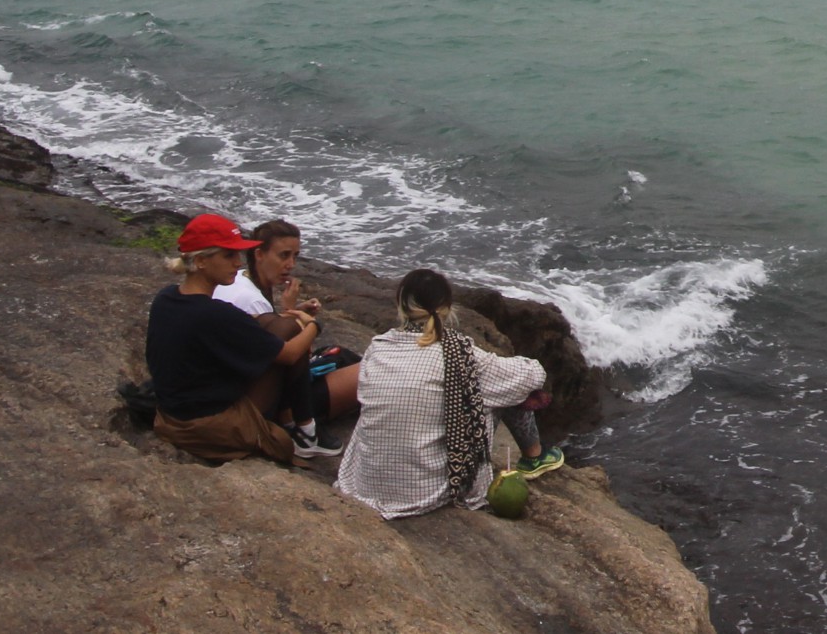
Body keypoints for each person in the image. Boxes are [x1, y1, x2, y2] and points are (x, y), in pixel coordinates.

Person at [336, 269, 564, 519]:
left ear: (400, 305)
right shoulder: (459, 354)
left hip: (366, 485)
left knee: (487, 385)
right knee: (505, 386)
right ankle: (535, 457)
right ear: (446, 308)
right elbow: (534, 376)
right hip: (425, 491)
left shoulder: (377, 347)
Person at [145, 213, 336, 463]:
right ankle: (304, 431)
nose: (237, 262)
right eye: (229, 255)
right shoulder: (214, 313)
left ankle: (302, 425)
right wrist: (313, 325)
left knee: (275, 325)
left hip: (171, 414)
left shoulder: (167, 297)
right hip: (205, 425)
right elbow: (289, 355)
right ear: (201, 261)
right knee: (289, 339)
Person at [213, 219, 360, 447]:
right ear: (259, 254)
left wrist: (287, 313)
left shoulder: (240, 279)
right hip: (265, 401)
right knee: (367, 373)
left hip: (244, 387)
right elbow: (290, 357)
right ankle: (304, 430)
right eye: (283, 256)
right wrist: (293, 317)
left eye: (295, 256)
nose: (291, 264)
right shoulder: (252, 301)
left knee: (342, 357)